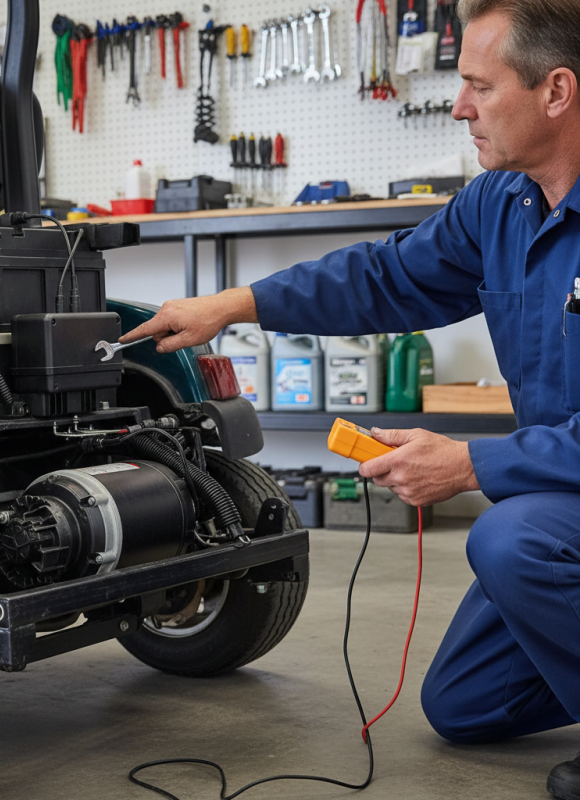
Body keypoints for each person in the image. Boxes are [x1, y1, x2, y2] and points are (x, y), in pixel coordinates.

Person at [120, 0, 580, 795]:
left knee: (510, 541)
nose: (460, 106)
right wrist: (232, 306)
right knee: (464, 704)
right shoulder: (501, 202)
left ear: (557, 92)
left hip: (555, 496)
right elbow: (384, 278)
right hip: (562, 483)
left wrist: (472, 462)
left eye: (478, 85)